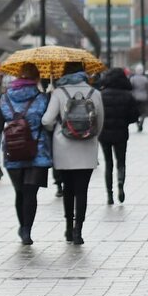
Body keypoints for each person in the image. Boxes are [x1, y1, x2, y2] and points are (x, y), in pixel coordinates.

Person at [0, 63, 52, 245]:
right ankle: (27, 230)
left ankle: (22, 226)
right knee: (30, 193)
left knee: (19, 192)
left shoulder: (5, 99)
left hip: (13, 151)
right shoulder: (42, 98)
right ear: (36, 78)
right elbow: (49, 124)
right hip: (38, 152)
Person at [42, 63, 105, 245]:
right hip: (87, 149)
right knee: (82, 190)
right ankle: (79, 231)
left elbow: (46, 119)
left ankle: (68, 227)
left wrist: (56, 128)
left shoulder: (59, 92)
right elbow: (100, 123)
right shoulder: (95, 93)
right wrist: (90, 135)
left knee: (68, 189)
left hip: (63, 148)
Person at [97, 67, 139, 205]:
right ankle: (120, 183)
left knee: (108, 163)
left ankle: (110, 194)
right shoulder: (128, 95)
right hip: (121, 133)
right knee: (121, 162)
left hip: (104, 134)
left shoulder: (101, 95)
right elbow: (134, 116)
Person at [129, 64, 148, 132]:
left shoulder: (132, 79)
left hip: (135, 97)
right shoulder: (145, 79)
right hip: (144, 98)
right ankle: (141, 121)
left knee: (135, 112)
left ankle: (137, 122)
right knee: (144, 112)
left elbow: (131, 88)